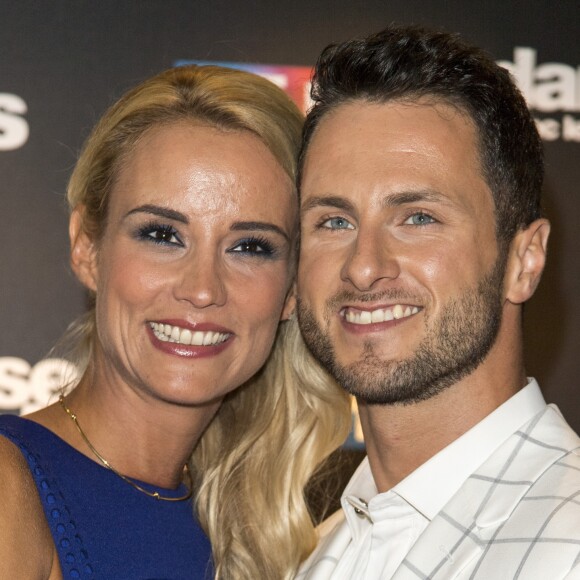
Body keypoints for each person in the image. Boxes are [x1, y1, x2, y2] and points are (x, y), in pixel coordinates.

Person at [0, 65, 350, 580]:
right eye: (162, 235)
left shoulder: (251, 531)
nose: (202, 288)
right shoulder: (11, 489)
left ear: (292, 291)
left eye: (250, 247)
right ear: (87, 246)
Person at [295, 24, 580, 579]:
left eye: (418, 218)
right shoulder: (316, 559)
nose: (364, 265)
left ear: (524, 260)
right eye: (334, 221)